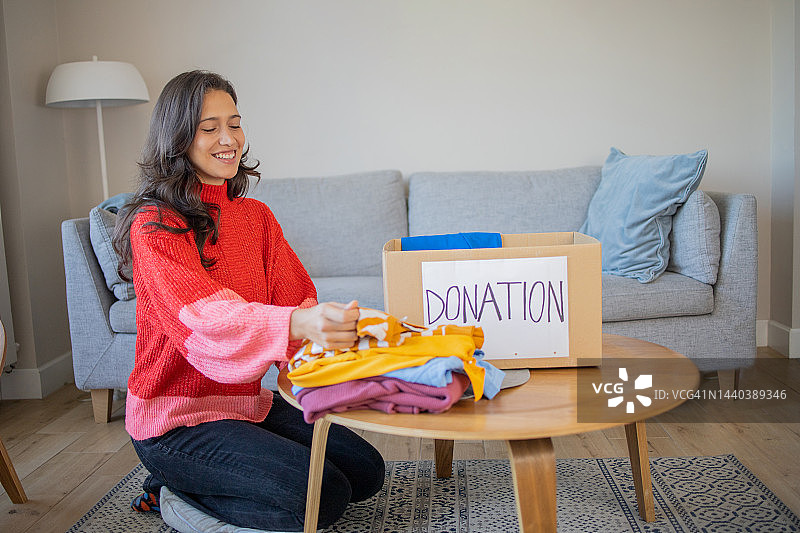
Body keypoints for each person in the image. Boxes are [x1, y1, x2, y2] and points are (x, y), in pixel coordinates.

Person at [112, 70, 385, 532]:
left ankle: (216, 479)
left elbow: (296, 298)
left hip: (245, 404)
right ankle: (173, 491)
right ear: (178, 139)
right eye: (210, 127)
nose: (229, 139)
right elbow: (206, 319)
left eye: (235, 124)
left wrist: (342, 360)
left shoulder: (256, 217)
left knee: (366, 471)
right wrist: (298, 322)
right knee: (324, 497)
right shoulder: (155, 224)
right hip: (175, 421)